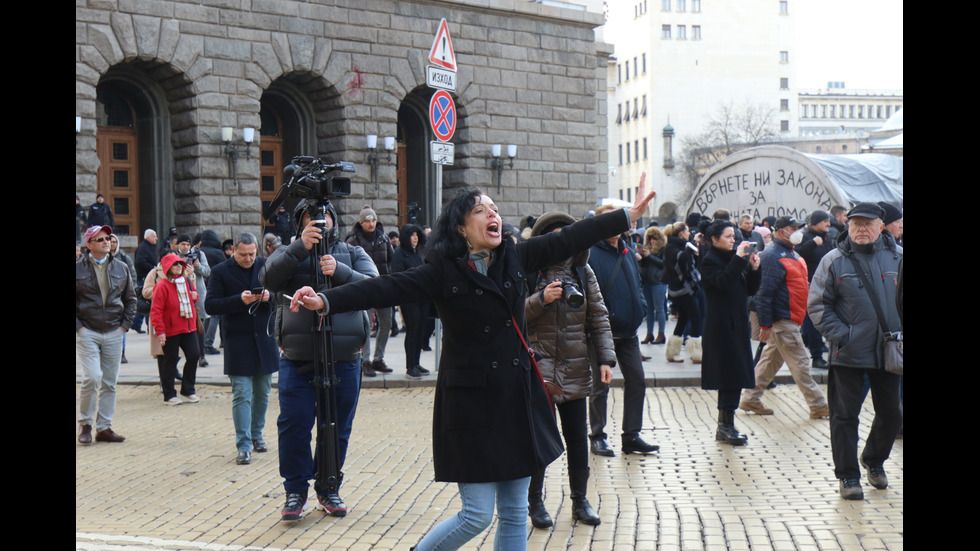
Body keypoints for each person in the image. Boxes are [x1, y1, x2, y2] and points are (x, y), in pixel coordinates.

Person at [286, 176, 656, 551]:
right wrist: (326, 301)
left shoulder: (515, 255)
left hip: (516, 399)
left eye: (494, 208)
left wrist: (627, 215)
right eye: (480, 210)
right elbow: (385, 287)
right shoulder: (442, 271)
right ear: (461, 228)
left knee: (513, 512)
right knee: (476, 515)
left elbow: (570, 237)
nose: (492, 213)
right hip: (471, 405)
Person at [259, 199, 378, 520]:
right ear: (301, 224)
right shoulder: (288, 252)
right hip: (298, 358)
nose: (319, 224)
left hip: (344, 357)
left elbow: (375, 288)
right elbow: (266, 279)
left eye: (324, 217)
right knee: (294, 423)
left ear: (334, 221)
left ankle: (329, 486)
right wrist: (299, 248)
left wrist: (340, 271)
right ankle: (295, 490)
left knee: (337, 426)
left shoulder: (352, 252)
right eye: (312, 219)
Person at [524, 211, 616, 528]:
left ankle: (580, 500)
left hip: (576, 365)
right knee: (539, 439)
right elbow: (512, 315)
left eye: (568, 234)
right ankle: (535, 502)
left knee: (577, 438)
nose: (562, 242)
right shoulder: (529, 270)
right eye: (555, 236)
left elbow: (599, 318)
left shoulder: (582, 270)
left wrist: (606, 359)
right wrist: (541, 299)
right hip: (541, 367)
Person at [808, 202, 903, 500]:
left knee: (891, 414)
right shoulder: (833, 261)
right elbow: (818, 305)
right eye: (855, 224)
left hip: (889, 351)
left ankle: (874, 460)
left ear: (881, 227)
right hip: (848, 353)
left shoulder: (899, 258)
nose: (861, 229)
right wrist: (843, 336)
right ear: (847, 226)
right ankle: (848, 476)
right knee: (845, 416)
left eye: (867, 224)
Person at [586, 205, 659, 458]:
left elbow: (637, 283)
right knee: (600, 386)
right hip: (602, 332)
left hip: (629, 332)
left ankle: (631, 436)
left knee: (637, 381)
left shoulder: (627, 250)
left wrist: (641, 307)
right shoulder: (590, 254)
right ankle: (597, 436)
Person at [740, 217, 830, 419]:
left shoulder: (789, 252)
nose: (798, 231)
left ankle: (750, 398)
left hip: (790, 317)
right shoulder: (773, 255)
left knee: (769, 361)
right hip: (783, 319)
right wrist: (765, 323)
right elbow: (764, 292)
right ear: (781, 231)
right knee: (801, 363)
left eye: (798, 227)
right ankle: (818, 405)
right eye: (793, 228)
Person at [205, 233, 279, 465]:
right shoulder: (220, 271)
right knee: (242, 394)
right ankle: (244, 444)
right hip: (238, 341)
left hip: (264, 340)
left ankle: (257, 434)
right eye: (243, 254)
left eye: (252, 254)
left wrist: (270, 297)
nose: (248, 258)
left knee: (263, 393)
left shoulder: (267, 266)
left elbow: (284, 297)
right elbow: (211, 304)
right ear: (233, 251)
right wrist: (239, 300)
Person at [699, 220, 761, 445]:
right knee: (728, 377)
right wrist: (738, 260)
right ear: (714, 239)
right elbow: (723, 283)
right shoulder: (709, 261)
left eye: (734, 237)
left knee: (735, 376)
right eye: (728, 237)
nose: (733, 240)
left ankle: (728, 425)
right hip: (721, 328)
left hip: (738, 324)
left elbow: (750, 290)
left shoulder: (736, 260)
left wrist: (754, 268)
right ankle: (724, 426)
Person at [76, 225, 136, 444]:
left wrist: (124, 326)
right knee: (92, 377)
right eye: (100, 239)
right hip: (87, 331)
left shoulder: (121, 267)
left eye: (108, 238)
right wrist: (79, 328)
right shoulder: (78, 268)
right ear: (89, 244)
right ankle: (85, 424)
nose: (106, 242)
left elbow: (131, 298)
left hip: (113, 330)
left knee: (110, 382)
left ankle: (104, 427)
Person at [346, 205, 396, 376]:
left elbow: (391, 261)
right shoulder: (353, 241)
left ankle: (378, 358)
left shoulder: (384, 238)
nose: (371, 223)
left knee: (387, 323)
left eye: (373, 220)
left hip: (383, 287)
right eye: (367, 220)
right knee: (365, 325)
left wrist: (390, 280)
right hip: (364, 288)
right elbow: (348, 265)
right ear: (361, 223)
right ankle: (365, 360)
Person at [150, 253, 202, 405]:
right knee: (170, 361)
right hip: (171, 329)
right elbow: (156, 311)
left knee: (194, 355)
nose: (179, 266)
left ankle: (187, 390)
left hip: (188, 326)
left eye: (181, 264)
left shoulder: (186, 281)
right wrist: (160, 331)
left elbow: (193, 299)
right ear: (168, 267)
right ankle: (169, 394)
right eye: (175, 264)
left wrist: (195, 296)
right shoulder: (161, 286)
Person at [796, 210, 836, 367]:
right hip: (811, 286)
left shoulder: (828, 237)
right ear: (815, 223)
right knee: (814, 322)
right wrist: (812, 244)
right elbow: (798, 256)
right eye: (825, 221)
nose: (829, 224)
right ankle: (816, 356)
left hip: (828, 286)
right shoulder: (805, 237)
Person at [390, 223, 429, 379]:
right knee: (412, 331)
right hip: (410, 298)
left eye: (417, 235)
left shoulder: (417, 253)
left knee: (420, 330)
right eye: (412, 235)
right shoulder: (399, 254)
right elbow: (397, 276)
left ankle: (417, 362)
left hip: (423, 297)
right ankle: (410, 366)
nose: (415, 238)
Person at [663, 221, 702, 363]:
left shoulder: (676, 245)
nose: (689, 234)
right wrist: (692, 246)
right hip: (682, 289)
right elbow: (682, 260)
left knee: (684, 319)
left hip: (681, 289)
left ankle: (672, 353)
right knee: (696, 318)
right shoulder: (673, 247)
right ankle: (697, 354)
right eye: (687, 232)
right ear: (681, 234)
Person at [109, 233, 138, 363]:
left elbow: (132, 275)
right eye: (110, 241)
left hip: (122, 295)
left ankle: (122, 352)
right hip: (109, 297)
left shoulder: (124, 258)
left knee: (122, 326)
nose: (112, 244)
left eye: (114, 242)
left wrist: (132, 290)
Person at [199, 230, 227, 355]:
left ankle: (205, 341)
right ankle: (209, 343)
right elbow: (225, 269)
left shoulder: (199, 252)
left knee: (207, 315)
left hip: (201, 286)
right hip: (215, 286)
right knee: (216, 316)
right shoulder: (217, 253)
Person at [639, 225, 668, 345]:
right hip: (647, 282)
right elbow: (644, 266)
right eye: (650, 239)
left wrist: (649, 256)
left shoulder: (663, 250)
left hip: (659, 282)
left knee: (660, 309)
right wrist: (642, 257)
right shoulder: (648, 249)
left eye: (654, 239)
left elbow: (664, 264)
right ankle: (649, 333)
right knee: (649, 310)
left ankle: (661, 334)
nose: (652, 241)